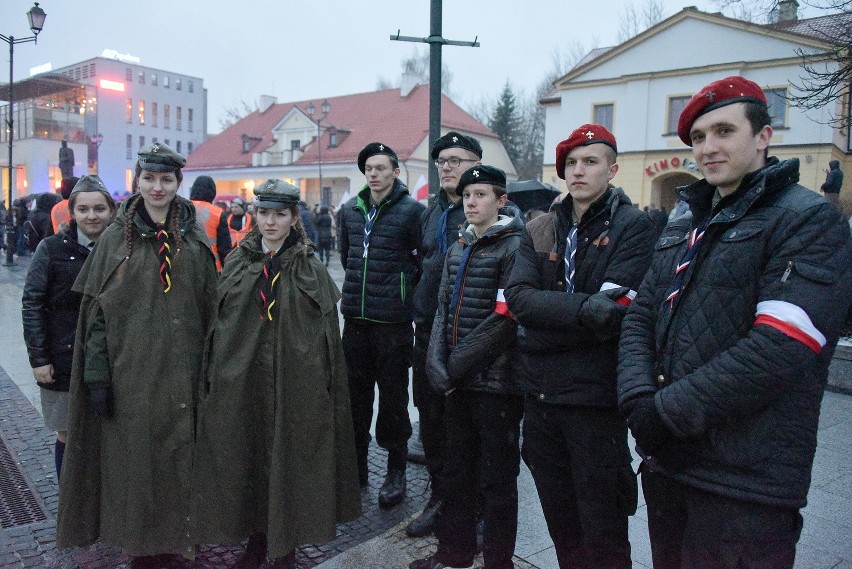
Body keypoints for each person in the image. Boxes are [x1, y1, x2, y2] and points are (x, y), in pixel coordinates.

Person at [618, 76, 852, 569]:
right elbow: (643, 313)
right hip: (669, 464)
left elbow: (781, 344)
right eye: (698, 137)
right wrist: (638, 400)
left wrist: (664, 413)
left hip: (745, 480)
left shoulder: (807, 220)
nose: (708, 147)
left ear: (764, 136)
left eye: (724, 131)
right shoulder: (685, 219)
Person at [56, 142, 218, 568]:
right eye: (150, 178)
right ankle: (142, 545)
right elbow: (96, 318)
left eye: (166, 179)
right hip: (134, 375)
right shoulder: (115, 239)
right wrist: (97, 377)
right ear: (138, 181)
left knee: (184, 457)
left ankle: (181, 540)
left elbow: (211, 308)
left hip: (185, 372)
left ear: (177, 183)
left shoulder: (195, 237)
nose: (157, 187)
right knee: (139, 462)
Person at [505, 124, 656, 569]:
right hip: (540, 397)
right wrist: (580, 311)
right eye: (571, 163)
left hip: (594, 401)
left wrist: (543, 320)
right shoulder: (540, 227)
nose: (578, 170)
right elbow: (518, 299)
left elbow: (614, 310)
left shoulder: (634, 226)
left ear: (612, 168)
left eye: (590, 161)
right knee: (561, 521)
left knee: (603, 525)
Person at [194, 179, 361, 569]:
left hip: (294, 382)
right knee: (248, 456)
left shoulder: (310, 268)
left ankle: (285, 544)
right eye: (264, 213)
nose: (270, 222)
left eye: (280, 214)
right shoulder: (237, 261)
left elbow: (325, 336)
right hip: (245, 381)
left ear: (293, 218)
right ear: (255, 215)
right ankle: (255, 538)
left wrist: (319, 382)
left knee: (290, 458)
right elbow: (222, 324)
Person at [411, 165, 524, 569]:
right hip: (457, 385)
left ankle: (498, 561)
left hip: (495, 386)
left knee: (496, 483)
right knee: (456, 475)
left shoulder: (514, 247)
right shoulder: (460, 245)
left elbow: (505, 317)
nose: (471, 202)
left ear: (501, 200)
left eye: (480, 194)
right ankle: (453, 554)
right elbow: (442, 308)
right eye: (467, 196)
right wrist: (435, 363)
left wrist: (452, 368)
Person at [339, 142, 425, 507]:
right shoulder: (349, 211)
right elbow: (346, 256)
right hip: (356, 323)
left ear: (395, 172)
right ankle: (356, 468)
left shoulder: (412, 213)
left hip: (392, 324)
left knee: (392, 400)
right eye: (369, 168)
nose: (373, 173)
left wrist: (402, 295)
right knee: (354, 400)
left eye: (380, 167)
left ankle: (395, 469)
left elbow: (421, 262)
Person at [407, 131, 482, 537]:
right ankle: (439, 498)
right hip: (426, 330)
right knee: (431, 420)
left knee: (469, 428)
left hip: (467, 335)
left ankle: (476, 507)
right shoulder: (432, 212)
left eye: (457, 159)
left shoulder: (489, 209)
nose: (448, 167)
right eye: (442, 161)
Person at [22, 175, 116, 480]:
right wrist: (40, 359)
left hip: (111, 358)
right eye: (84, 209)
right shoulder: (51, 249)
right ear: (72, 212)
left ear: (111, 211)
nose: (92, 216)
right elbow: (33, 303)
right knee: (68, 434)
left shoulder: (120, 249)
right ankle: (70, 504)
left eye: (99, 209)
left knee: (109, 435)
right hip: (63, 359)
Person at [190, 175, 232, 271]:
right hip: (211, 267)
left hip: (186, 267)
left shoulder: (182, 209)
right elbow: (224, 249)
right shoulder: (218, 213)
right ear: (212, 193)